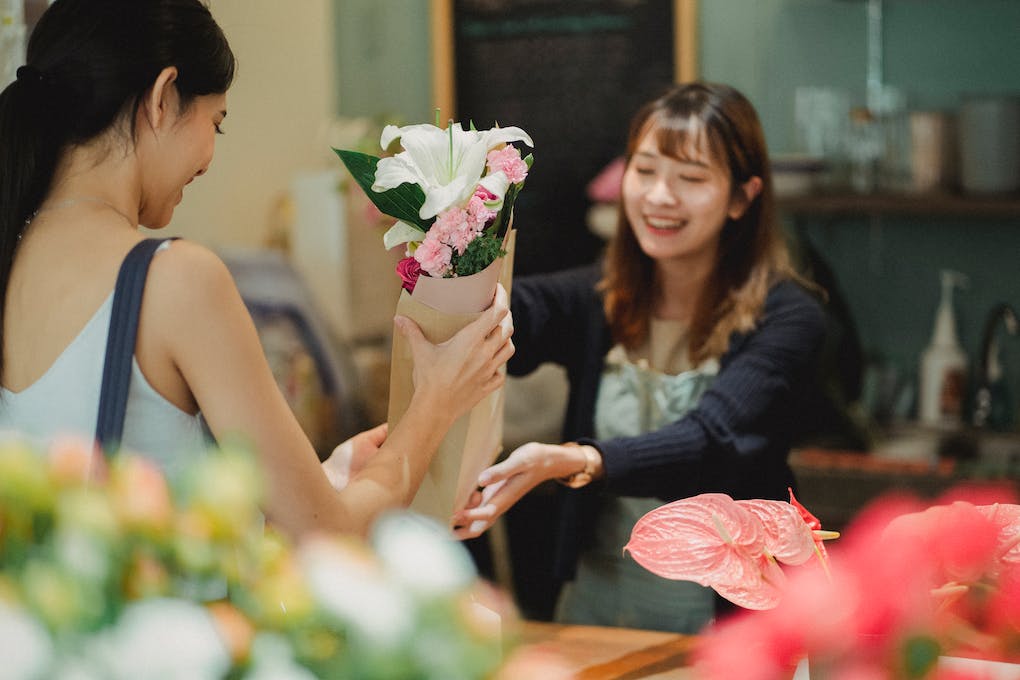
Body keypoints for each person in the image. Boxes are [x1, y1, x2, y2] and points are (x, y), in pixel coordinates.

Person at [0, 0, 513, 540]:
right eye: (215, 124)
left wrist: (317, 481)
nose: (209, 157)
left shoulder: (16, 259)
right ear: (161, 97)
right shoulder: (174, 279)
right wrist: (436, 402)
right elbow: (328, 539)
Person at [453, 82, 826, 633]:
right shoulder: (597, 296)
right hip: (594, 606)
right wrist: (448, 236)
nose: (659, 197)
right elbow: (511, 311)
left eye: (691, 178)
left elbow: (712, 440)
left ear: (743, 197)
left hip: (729, 621)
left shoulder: (790, 317)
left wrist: (579, 460)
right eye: (645, 170)